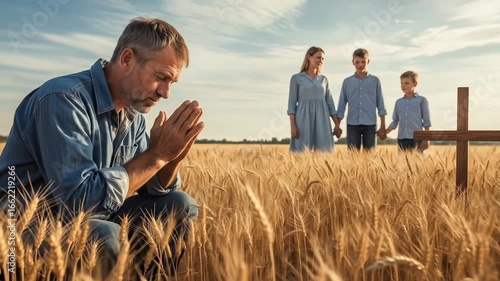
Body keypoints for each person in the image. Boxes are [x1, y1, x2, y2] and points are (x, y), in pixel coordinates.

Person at [0, 17, 203, 278]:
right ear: (127, 59)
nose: (166, 93)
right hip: (19, 228)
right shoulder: (63, 99)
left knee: (180, 205)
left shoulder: (134, 117)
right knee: (100, 235)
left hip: (83, 219)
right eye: (161, 77)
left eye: (172, 83)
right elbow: (79, 203)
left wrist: (170, 158)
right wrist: (156, 156)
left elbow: (152, 189)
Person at [287, 46, 341, 152]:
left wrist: (337, 125)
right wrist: (293, 126)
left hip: (322, 118)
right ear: (309, 57)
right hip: (303, 118)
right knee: (301, 153)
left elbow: (330, 103)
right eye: (318, 57)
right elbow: (292, 104)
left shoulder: (324, 79)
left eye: (322, 59)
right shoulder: (296, 78)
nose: (320, 61)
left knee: (324, 152)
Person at [336, 48, 387, 151]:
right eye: (357, 62)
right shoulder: (347, 82)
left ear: (368, 61)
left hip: (370, 124)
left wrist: (383, 126)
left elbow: (380, 104)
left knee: (370, 156)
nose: (360, 65)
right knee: (352, 157)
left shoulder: (375, 81)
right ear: (353, 62)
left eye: (363, 62)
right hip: (352, 124)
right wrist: (337, 125)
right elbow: (341, 106)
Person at [385, 70, 431, 152]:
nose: (403, 86)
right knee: (402, 163)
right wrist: (385, 132)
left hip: (417, 139)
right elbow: (395, 121)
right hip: (401, 139)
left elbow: (426, 122)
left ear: (415, 84)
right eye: (401, 83)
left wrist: (426, 139)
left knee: (416, 163)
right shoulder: (398, 102)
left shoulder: (422, 100)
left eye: (406, 83)